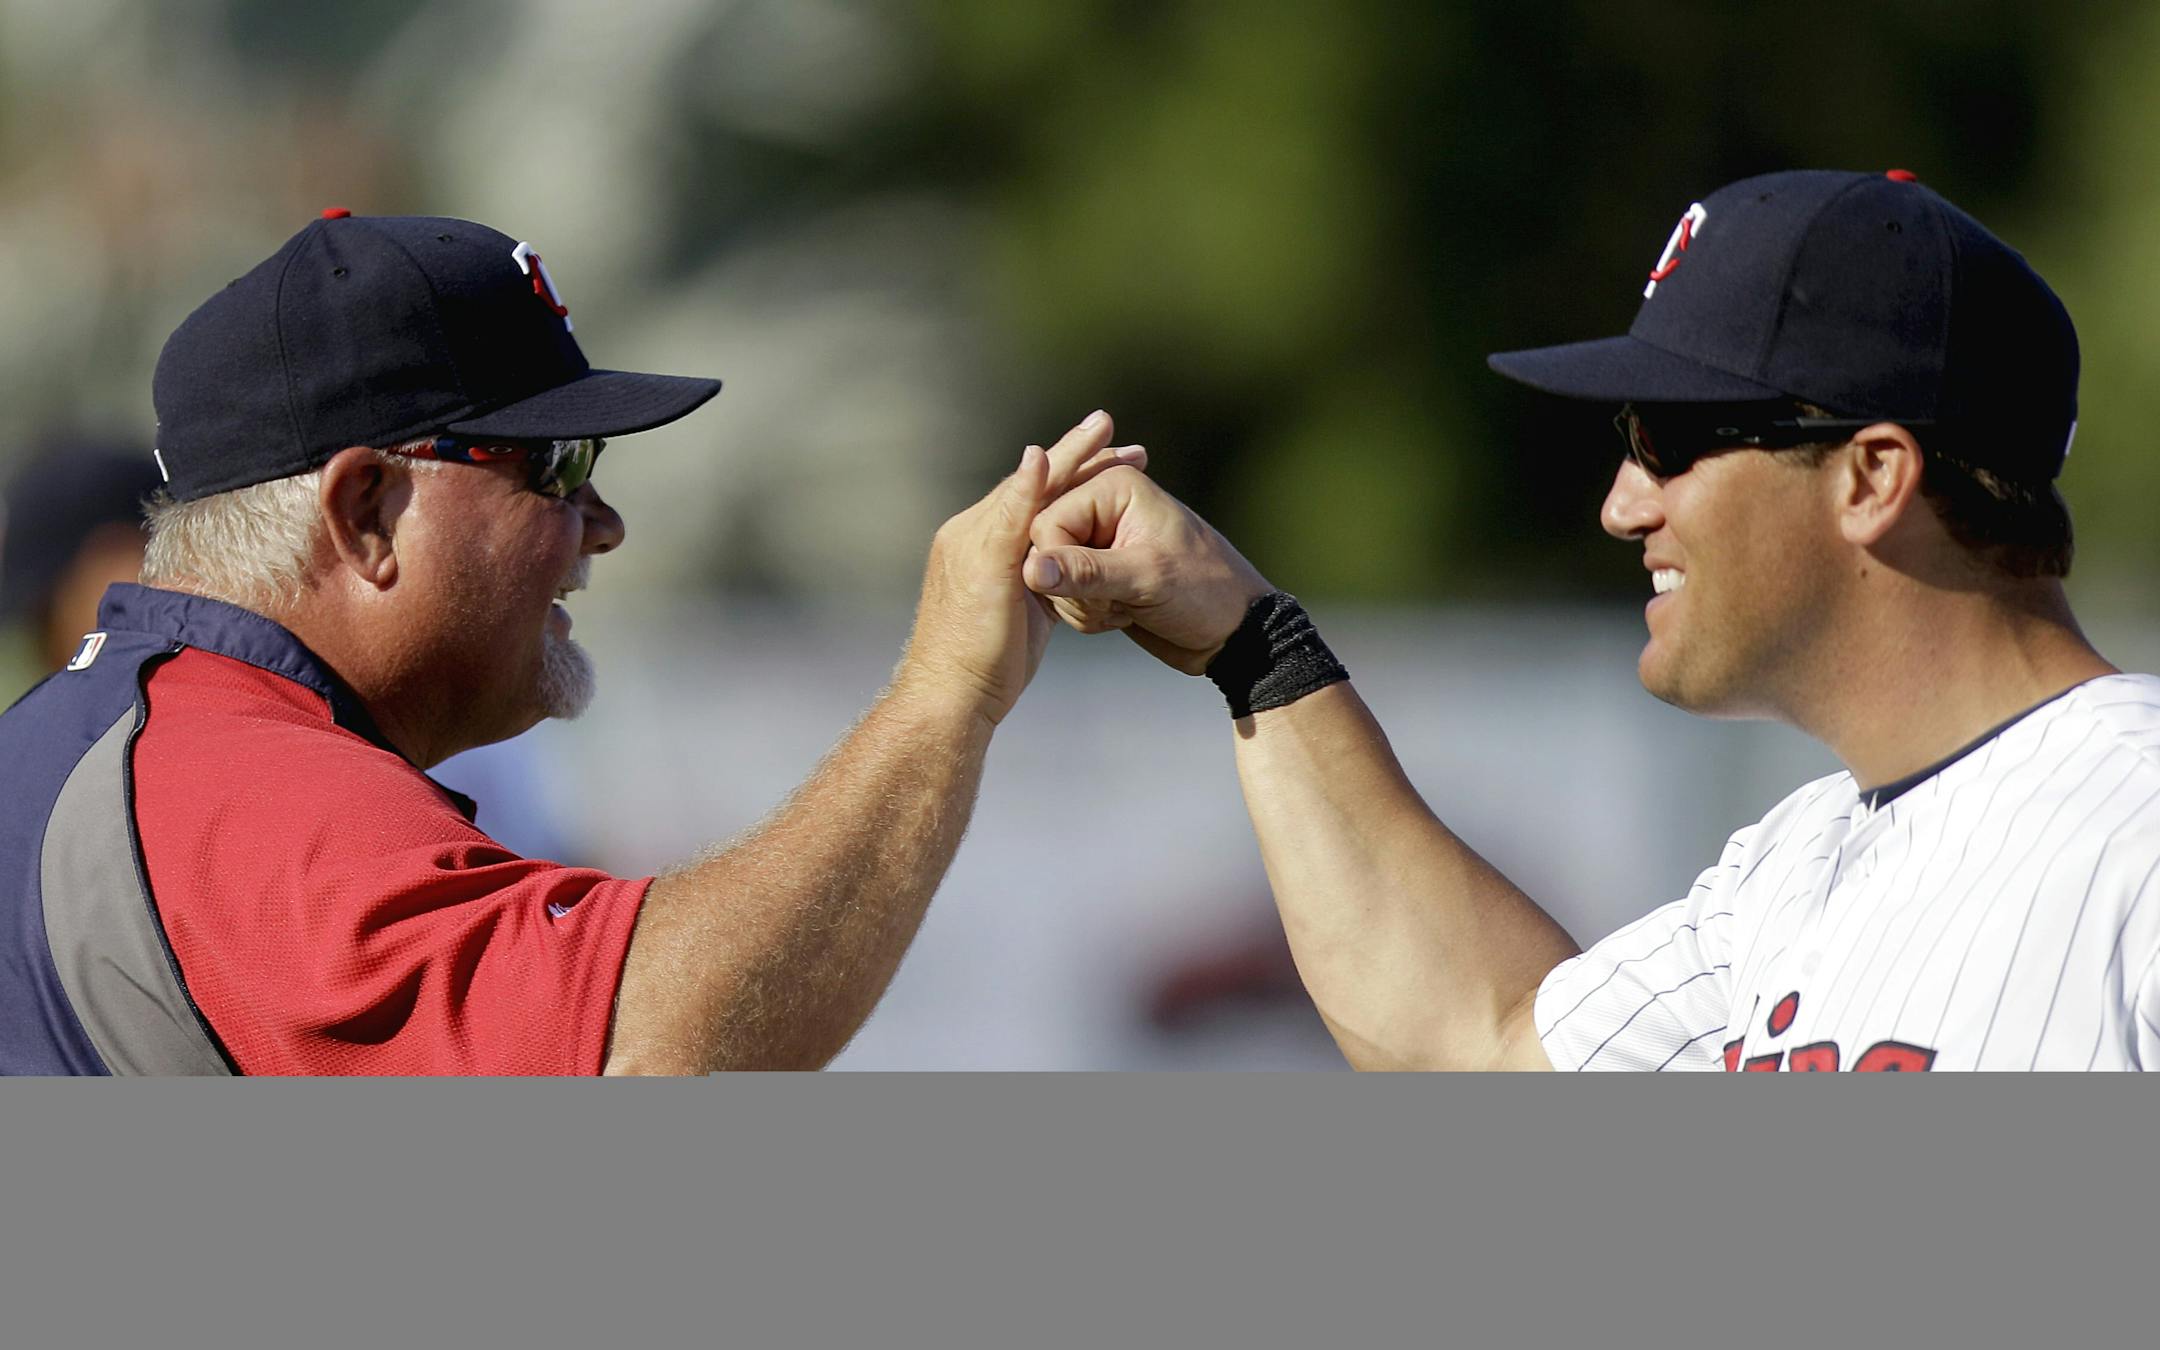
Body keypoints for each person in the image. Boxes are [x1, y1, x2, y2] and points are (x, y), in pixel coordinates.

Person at [1020, 169, 2160, 1071]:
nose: (1622, 504)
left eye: (1668, 437)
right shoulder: (1789, 872)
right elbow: (1476, 1040)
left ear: (1870, 477)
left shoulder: (2136, 825)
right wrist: (1249, 641)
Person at [1, 208, 1138, 1075]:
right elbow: (642, 1055)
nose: (604, 524)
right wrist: (946, 689)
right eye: (556, 467)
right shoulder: (242, 790)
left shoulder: (106, 744)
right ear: (363, 514)